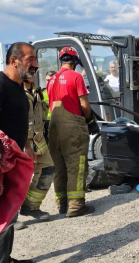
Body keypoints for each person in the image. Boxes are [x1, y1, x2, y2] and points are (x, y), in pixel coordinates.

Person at [0, 42, 38, 263]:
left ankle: (6, 259)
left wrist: (26, 145)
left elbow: (15, 121)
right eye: (30, 59)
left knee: (11, 212)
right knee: (3, 216)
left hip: (14, 158)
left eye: (35, 60)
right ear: (14, 61)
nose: (35, 65)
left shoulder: (17, 86)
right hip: (1, 163)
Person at [47, 47, 99, 217]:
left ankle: (62, 205)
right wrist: (90, 120)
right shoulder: (76, 77)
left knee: (59, 166)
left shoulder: (52, 79)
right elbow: (84, 104)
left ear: (60, 60)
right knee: (76, 165)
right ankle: (76, 206)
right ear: (75, 61)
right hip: (72, 125)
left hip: (54, 127)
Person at [19, 77, 54, 221]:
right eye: (29, 65)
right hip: (20, 142)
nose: (33, 68)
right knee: (18, 180)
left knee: (47, 169)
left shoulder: (38, 90)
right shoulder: (14, 90)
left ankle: (31, 207)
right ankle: (10, 220)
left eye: (35, 66)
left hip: (38, 141)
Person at [42, 71, 56, 143]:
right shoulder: (42, 92)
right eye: (48, 80)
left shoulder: (60, 91)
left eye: (52, 80)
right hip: (45, 123)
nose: (49, 82)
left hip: (57, 122)